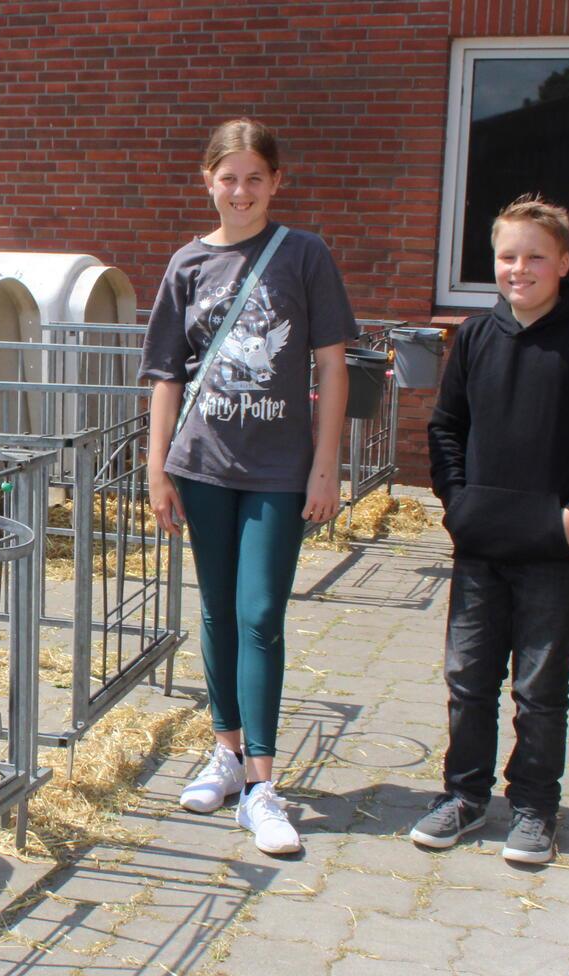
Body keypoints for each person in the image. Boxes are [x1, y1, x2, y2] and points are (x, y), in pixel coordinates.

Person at [409, 196, 569, 863]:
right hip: (481, 545)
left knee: (539, 688)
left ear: (563, 262)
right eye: (508, 257)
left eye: (535, 257)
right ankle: (463, 796)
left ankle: (533, 808)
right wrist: (455, 501)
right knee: (468, 679)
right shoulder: (476, 335)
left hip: (556, 549)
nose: (520, 269)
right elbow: (445, 426)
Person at [142, 117, 357, 856]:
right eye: (228, 177)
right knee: (216, 611)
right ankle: (226, 753)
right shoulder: (186, 266)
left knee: (259, 612)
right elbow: (167, 375)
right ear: (208, 181)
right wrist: (157, 466)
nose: (241, 190)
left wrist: (327, 465)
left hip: (278, 468)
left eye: (254, 178)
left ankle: (264, 786)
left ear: (276, 183)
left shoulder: (303, 255)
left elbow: (333, 366)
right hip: (202, 465)